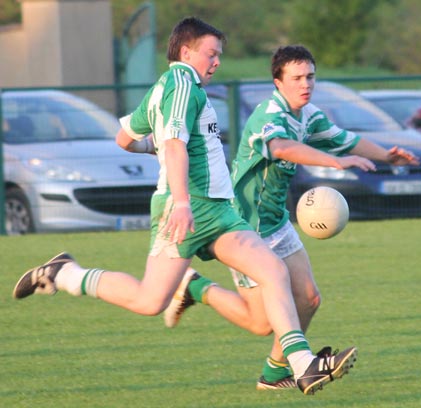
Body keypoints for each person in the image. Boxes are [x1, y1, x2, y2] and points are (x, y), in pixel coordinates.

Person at [12, 20, 357, 396]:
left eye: (219, 55)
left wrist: (157, 148)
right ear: (186, 52)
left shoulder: (176, 87)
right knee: (149, 301)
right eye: (212, 54)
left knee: (273, 270)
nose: (217, 62)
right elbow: (174, 145)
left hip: (219, 212)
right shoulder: (181, 85)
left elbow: (125, 138)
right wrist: (179, 200)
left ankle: (301, 365)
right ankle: (64, 274)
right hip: (188, 209)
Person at [164, 44, 419, 390]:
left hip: (277, 221)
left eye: (310, 76)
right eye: (297, 77)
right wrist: (335, 163)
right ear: (278, 82)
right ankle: (194, 286)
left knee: (309, 298)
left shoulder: (309, 115)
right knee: (259, 323)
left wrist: (388, 157)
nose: (305, 84)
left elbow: (345, 140)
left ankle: (274, 373)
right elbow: (282, 147)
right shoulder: (269, 115)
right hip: (244, 224)